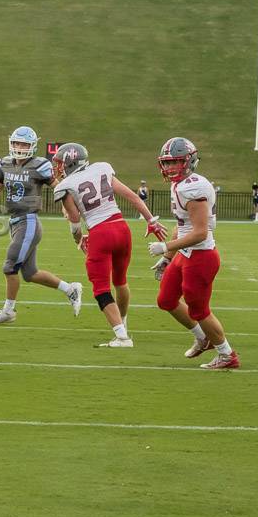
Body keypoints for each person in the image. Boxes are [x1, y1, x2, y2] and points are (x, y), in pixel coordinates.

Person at [51, 143, 166, 348]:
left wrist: (79, 240)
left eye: (61, 163)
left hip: (100, 233)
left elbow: (75, 222)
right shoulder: (101, 168)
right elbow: (132, 196)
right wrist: (152, 221)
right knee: (120, 281)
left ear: (70, 163)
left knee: (101, 289)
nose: (58, 167)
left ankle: (122, 336)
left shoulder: (65, 185)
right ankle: (123, 324)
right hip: (121, 228)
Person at [149, 138, 239, 370]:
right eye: (167, 163)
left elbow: (199, 233)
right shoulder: (180, 184)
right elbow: (183, 224)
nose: (170, 168)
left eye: (176, 162)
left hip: (201, 256)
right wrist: (168, 257)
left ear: (189, 161)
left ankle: (227, 354)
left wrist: (166, 247)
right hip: (186, 254)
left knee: (199, 310)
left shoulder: (193, 188)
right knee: (166, 299)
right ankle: (203, 337)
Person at [0, 127, 83, 326]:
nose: (19, 148)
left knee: (10, 266)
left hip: (28, 221)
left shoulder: (40, 166)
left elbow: (60, 188)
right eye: (17, 143)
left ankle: (8, 311)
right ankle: (70, 289)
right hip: (15, 221)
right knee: (30, 274)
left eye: (24, 144)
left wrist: (66, 208)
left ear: (32, 146)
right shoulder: (5, 163)